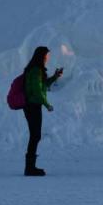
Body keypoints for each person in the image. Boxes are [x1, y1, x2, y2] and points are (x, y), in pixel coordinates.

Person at [22, 46, 63, 176]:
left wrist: (55, 77)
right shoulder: (35, 70)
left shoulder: (37, 70)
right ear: (41, 56)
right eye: (46, 56)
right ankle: (29, 168)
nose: (47, 58)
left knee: (35, 135)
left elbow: (43, 85)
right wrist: (47, 104)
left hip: (33, 105)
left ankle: (30, 167)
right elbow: (37, 90)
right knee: (35, 135)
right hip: (32, 105)